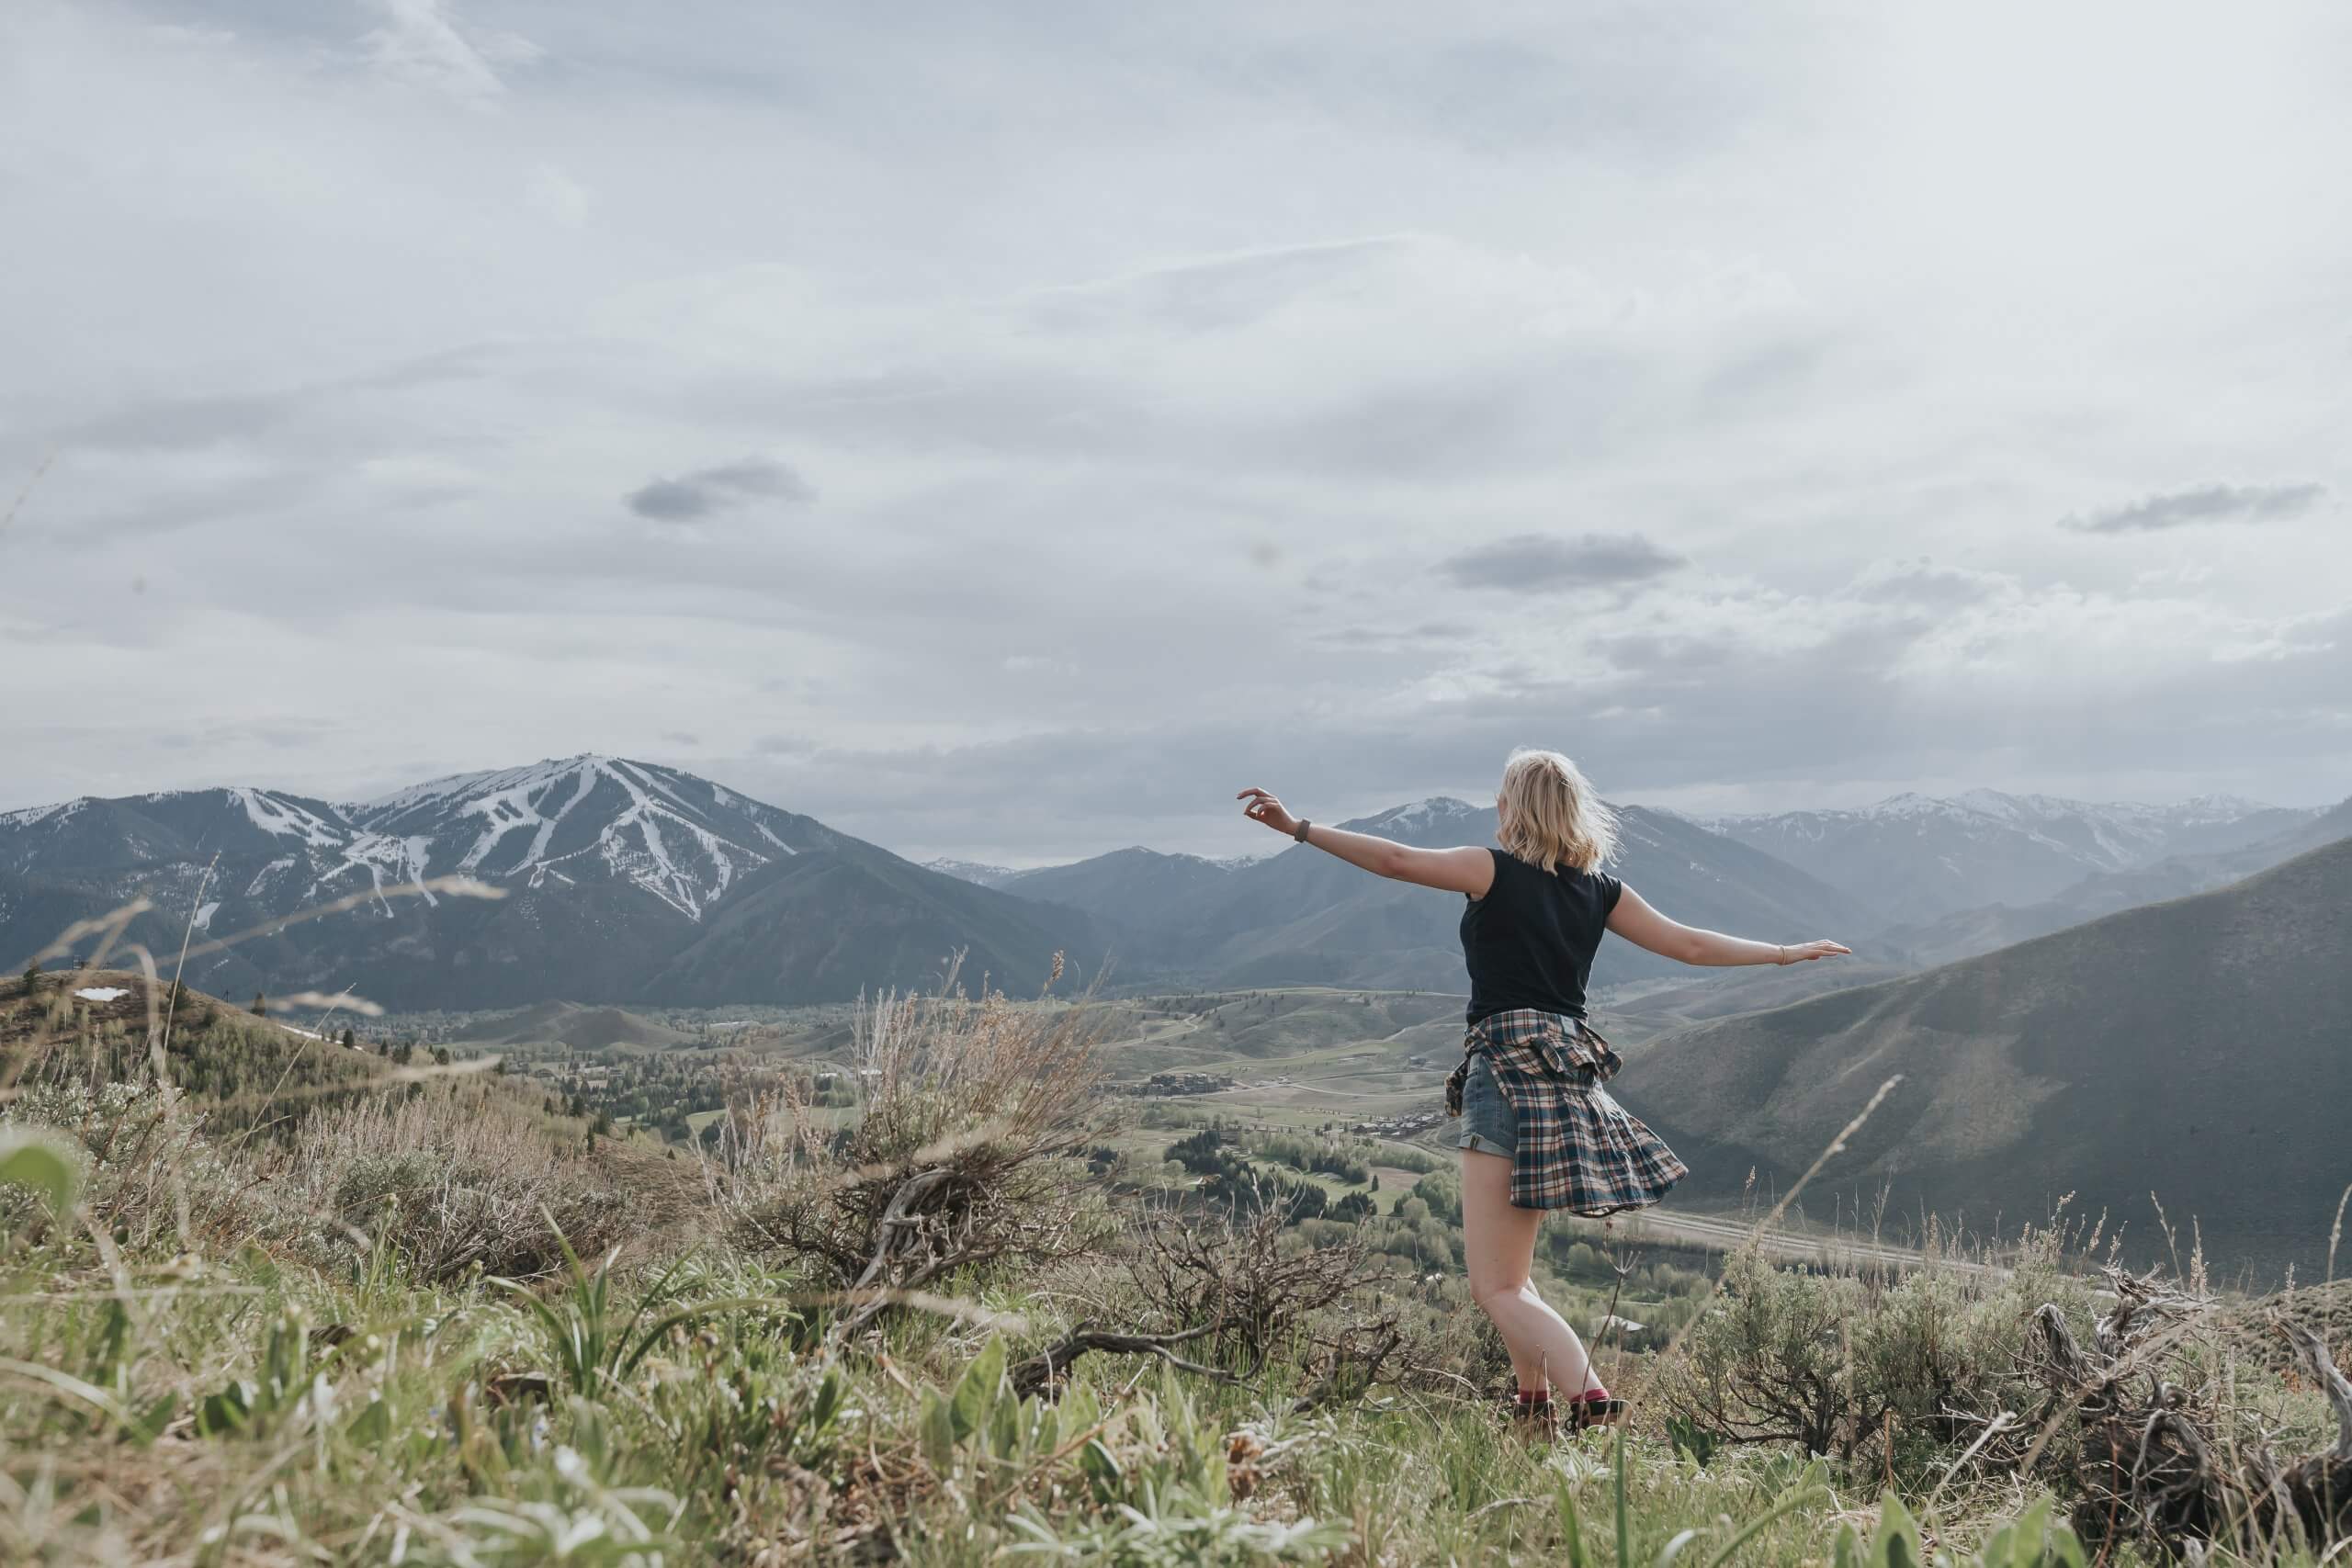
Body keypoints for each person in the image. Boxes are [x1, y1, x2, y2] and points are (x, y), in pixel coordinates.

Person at [1237, 750, 1849, 1431]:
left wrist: (1299, 827)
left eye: (1501, 798)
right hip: (1565, 1081)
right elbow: (1690, 947)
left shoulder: (1490, 869)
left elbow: (1396, 860)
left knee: (1493, 1286)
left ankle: (1591, 1398)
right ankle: (1533, 1417)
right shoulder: (1600, 891)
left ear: (1513, 808)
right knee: (1516, 1278)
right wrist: (1786, 952)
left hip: (1503, 1072)